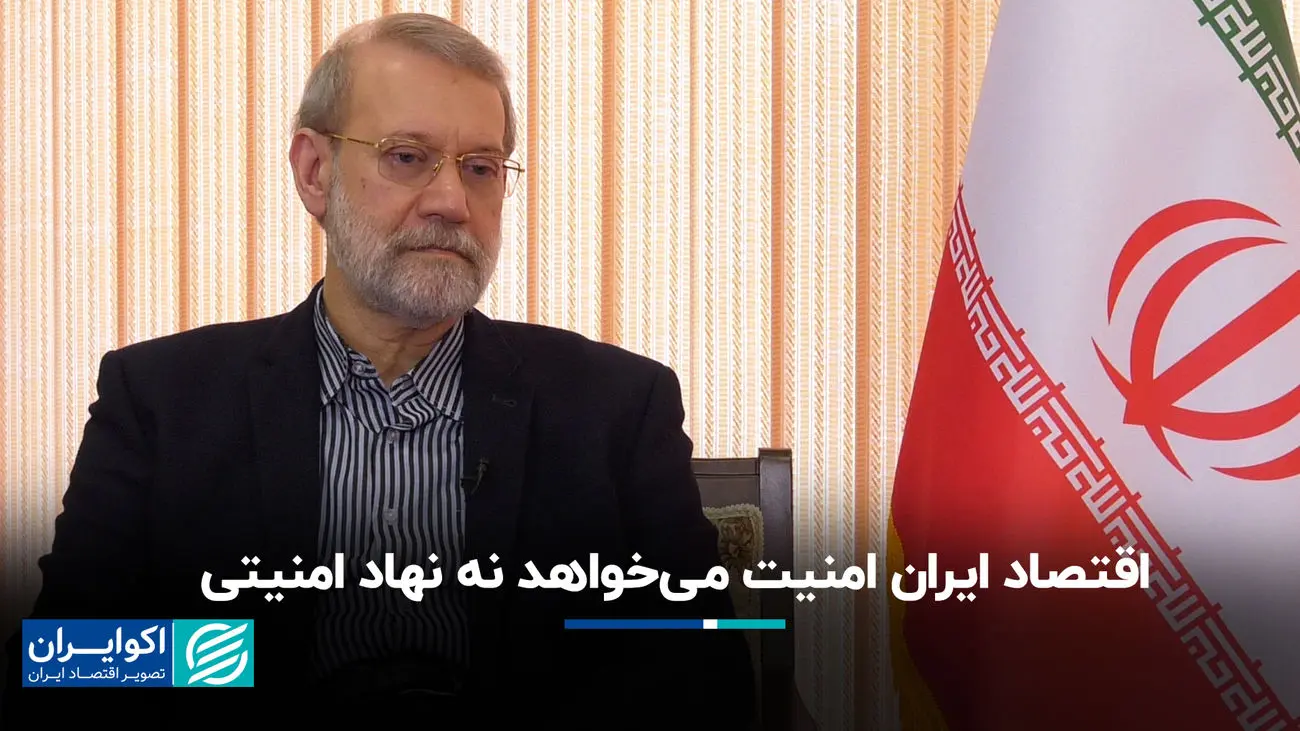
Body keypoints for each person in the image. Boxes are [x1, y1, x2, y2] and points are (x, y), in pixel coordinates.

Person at [2, 13, 755, 727]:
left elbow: (704, 670)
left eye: (482, 167)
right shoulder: (161, 400)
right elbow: (66, 657)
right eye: (407, 157)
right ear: (315, 171)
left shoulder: (617, 406)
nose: (453, 201)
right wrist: (242, 657)